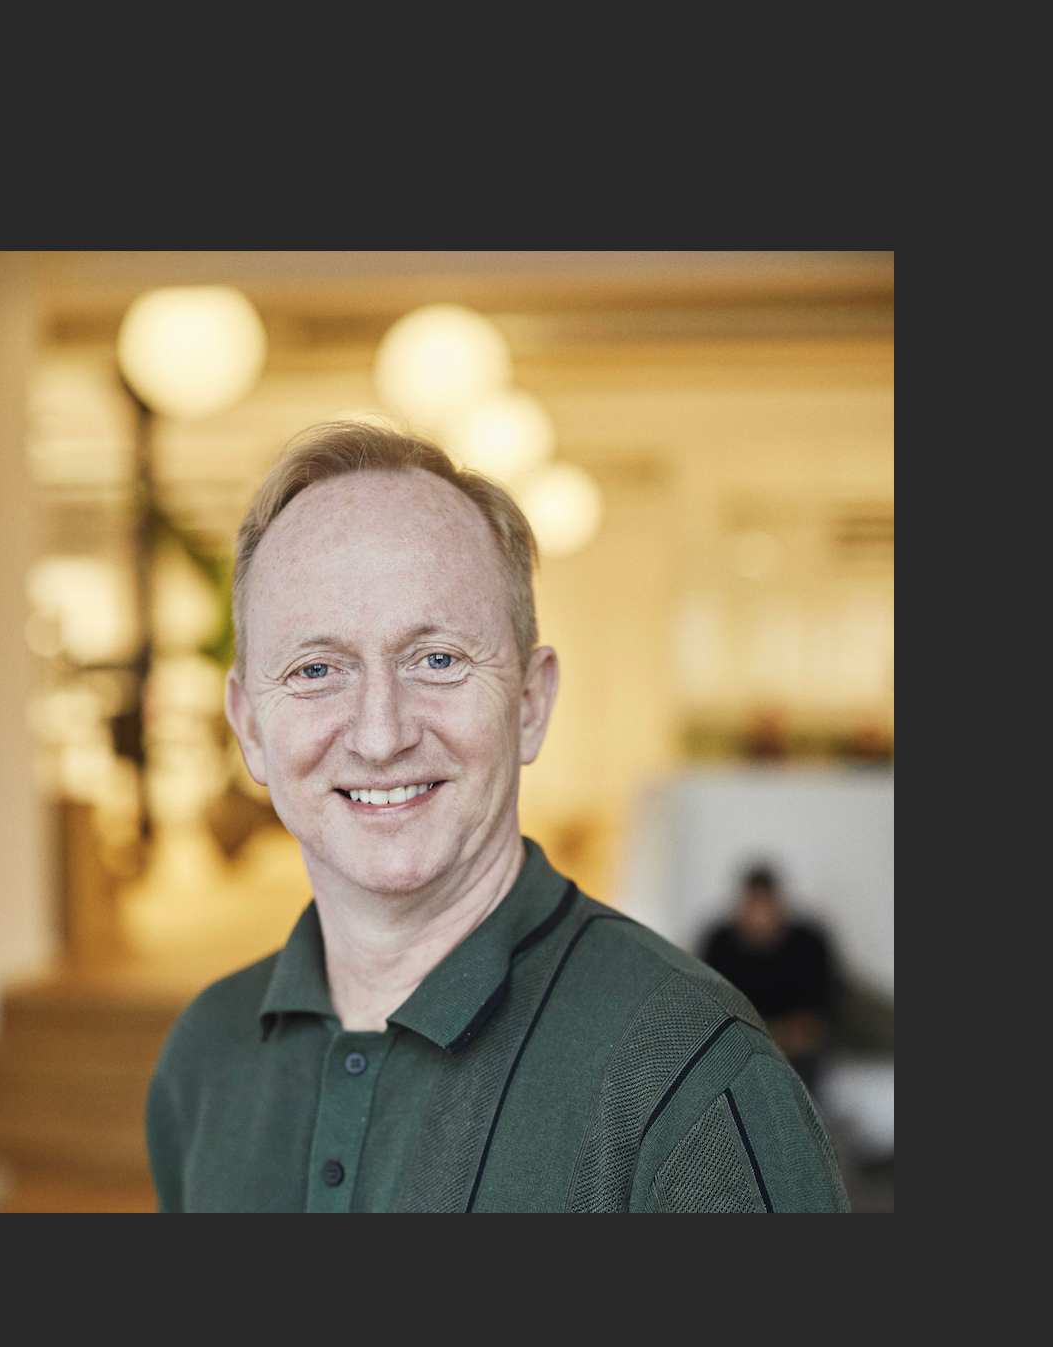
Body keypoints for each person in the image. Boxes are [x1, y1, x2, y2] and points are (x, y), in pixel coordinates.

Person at [145, 423, 847, 1212]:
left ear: (530, 704)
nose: (380, 735)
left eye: (437, 659)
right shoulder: (205, 1055)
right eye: (316, 669)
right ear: (249, 728)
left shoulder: (691, 1075)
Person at [700, 867, 839, 1093]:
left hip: (792, 1053)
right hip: (742, 1043)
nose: (759, 918)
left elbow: (814, 1028)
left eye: (765, 907)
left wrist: (766, 1036)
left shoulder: (809, 946)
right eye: (753, 907)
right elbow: (705, 1014)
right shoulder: (719, 944)